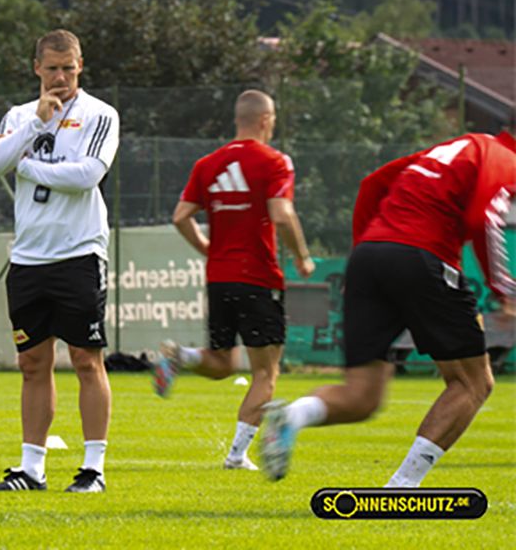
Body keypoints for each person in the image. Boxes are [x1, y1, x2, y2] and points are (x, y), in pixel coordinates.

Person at [260, 131, 516, 485]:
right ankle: (402, 487)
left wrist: (363, 251)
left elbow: (372, 184)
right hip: (424, 256)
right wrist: (504, 289)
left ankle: (291, 416)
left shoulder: (452, 150)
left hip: (369, 258)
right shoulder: (505, 158)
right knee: (474, 383)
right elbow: (482, 221)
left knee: (362, 397)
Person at [0, 29, 120, 493]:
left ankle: (93, 470)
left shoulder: (100, 114)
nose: (62, 77)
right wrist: (35, 125)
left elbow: (86, 176)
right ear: (36, 68)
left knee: (85, 359)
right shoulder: (20, 116)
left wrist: (29, 166)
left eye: (69, 67)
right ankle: (31, 470)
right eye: (53, 68)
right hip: (28, 258)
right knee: (33, 364)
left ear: (81, 65)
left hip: (79, 253)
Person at [154, 90, 315, 471]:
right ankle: (237, 455)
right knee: (265, 373)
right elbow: (282, 213)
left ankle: (180, 356)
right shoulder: (275, 161)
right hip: (258, 277)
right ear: (265, 119)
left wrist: (208, 248)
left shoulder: (208, 163)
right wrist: (301, 256)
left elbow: (180, 216)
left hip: (220, 277)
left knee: (222, 362)